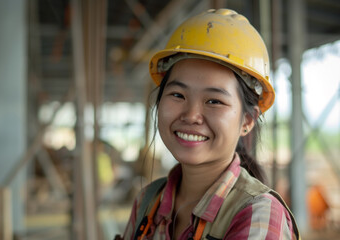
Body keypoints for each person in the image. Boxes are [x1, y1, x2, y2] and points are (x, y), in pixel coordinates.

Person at [119, 8, 300, 240]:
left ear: (247, 120)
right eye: (177, 95)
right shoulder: (147, 201)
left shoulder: (258, 213)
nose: (191, 115)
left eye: (214, 101)